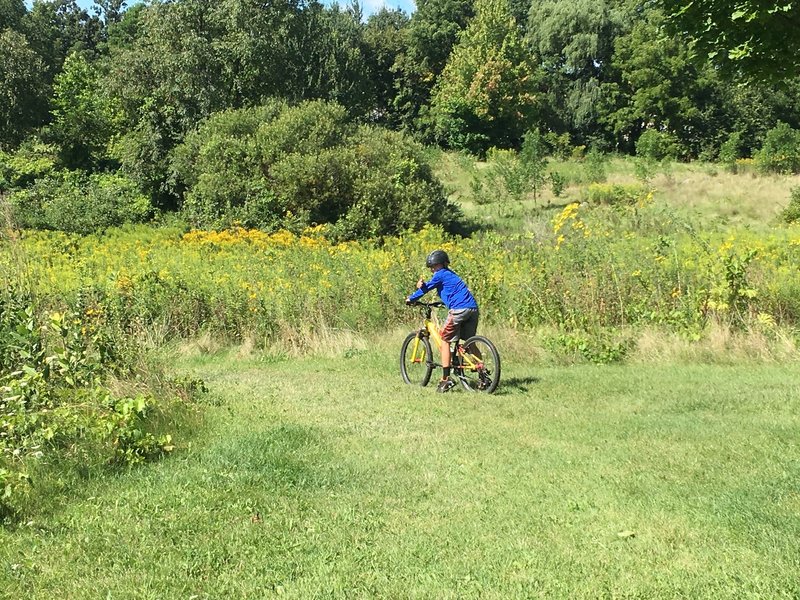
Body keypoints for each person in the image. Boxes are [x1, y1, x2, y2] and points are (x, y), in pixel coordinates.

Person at [406, 249, 479, 393]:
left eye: (435, 266)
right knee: (469, 342)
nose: (433, 269)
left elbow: (425, 290)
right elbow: (451, 292)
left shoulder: (440, 275)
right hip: (472, 309)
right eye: (431, 267)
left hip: (459, 310)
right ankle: (481, 373)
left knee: (444, 340)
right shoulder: (451, 275)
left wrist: (411, 298)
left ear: (443, 265)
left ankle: (446, 380)